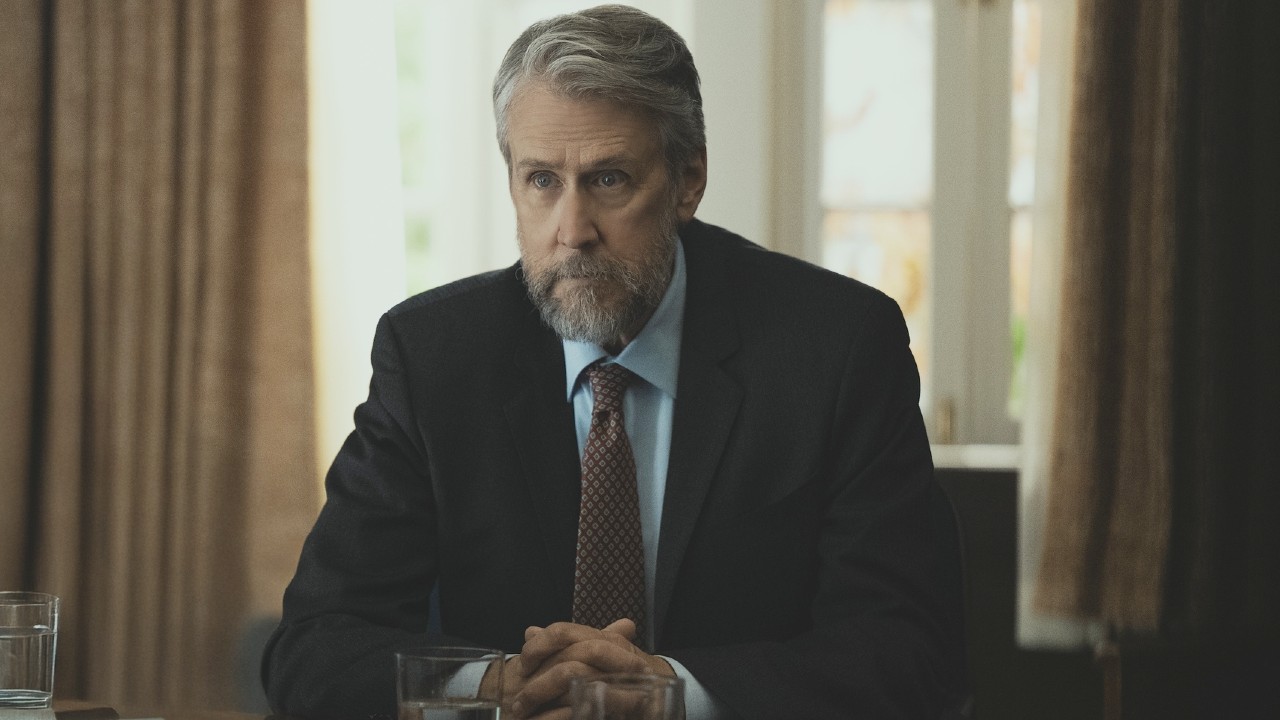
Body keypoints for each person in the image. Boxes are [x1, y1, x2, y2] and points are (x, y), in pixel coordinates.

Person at [262, 5, 966, 719]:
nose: (572, 232)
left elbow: (910, 652)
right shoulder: (434, 358)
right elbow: (313, 651)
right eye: (541, 181)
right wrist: (495, 687)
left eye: (608, 180)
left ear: (688, 180)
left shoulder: (836, 347)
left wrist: (666, 695)